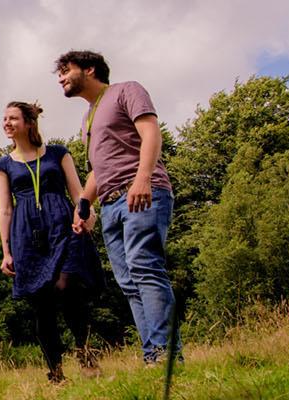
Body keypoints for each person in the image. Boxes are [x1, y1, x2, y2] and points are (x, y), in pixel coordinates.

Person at [57, 50, 178, 366]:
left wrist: (143, 178)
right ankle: (153, 354)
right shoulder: (88, 119)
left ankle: (164, 354)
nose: (60, 78)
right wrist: (83, 203)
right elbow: (98, 169)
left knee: (145, 266)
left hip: (141, 194)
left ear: (90, 69)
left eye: (65, 70)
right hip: (110, 206)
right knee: (128, 281)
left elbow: (151, 132)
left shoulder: (127, 90)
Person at [0, 101, 103, 383]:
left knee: (68, 288)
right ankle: (55, 374)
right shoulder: (3, 165)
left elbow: (79, 192)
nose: (6, 123)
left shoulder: (57, 153)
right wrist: (6, 251)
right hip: (27, 235)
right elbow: (5, 209)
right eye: (4, 118)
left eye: (13, 118)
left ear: (29, 122)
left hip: (64, 227)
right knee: (41, 303)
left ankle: (86, 355)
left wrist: (88, 216)